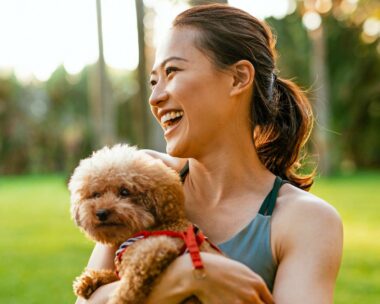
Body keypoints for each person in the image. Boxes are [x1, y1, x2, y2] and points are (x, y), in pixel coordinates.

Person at [75, 4, 343, 304]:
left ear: (238, 78)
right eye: (154, 81)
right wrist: (184, 276)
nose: (155, 97)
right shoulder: (142, 181)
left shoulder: (304, 220)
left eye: (172, 72)